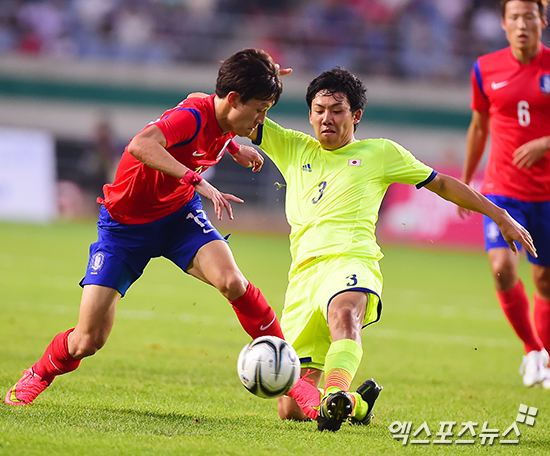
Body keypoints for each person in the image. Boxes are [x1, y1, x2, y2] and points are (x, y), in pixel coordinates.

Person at [247, 68, 537, 431]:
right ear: (309, 114)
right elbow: (233, 111)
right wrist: (260, 77)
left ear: (356, 115)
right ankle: (356, 405)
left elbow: (442, 184)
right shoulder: (291, 146)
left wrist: (500, 215)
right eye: (319, 110)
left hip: (351, 260)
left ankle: (336, 391)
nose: (327, 118)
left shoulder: (380, 152)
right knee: (290, 408)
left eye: (337, 110)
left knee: (344, 314)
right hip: (303, 277)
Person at [5, 48, 286, 406]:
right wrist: (196, 180)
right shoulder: (190, 118)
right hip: (125, 229)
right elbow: (140, 144)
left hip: (178, 217)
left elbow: (201, 99)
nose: (262, 120)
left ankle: (290, 375)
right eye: (260, 109)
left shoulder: (219, 116)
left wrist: (233, 146)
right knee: (87, 340)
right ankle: (38, 373)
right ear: (233, 99)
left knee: (232, 282)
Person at [459, 0, 550, 388]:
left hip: (546, 195)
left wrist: (545, 143)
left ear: (542, 20)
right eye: (514, 17)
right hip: (502, 191)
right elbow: (479, 126)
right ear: (503, 23)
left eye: (529, 16)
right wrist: (467, 179)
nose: (522, 24)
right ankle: (533, 350)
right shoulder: (485, 68)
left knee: (545, 282)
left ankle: (545, 361)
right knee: (502, 267)